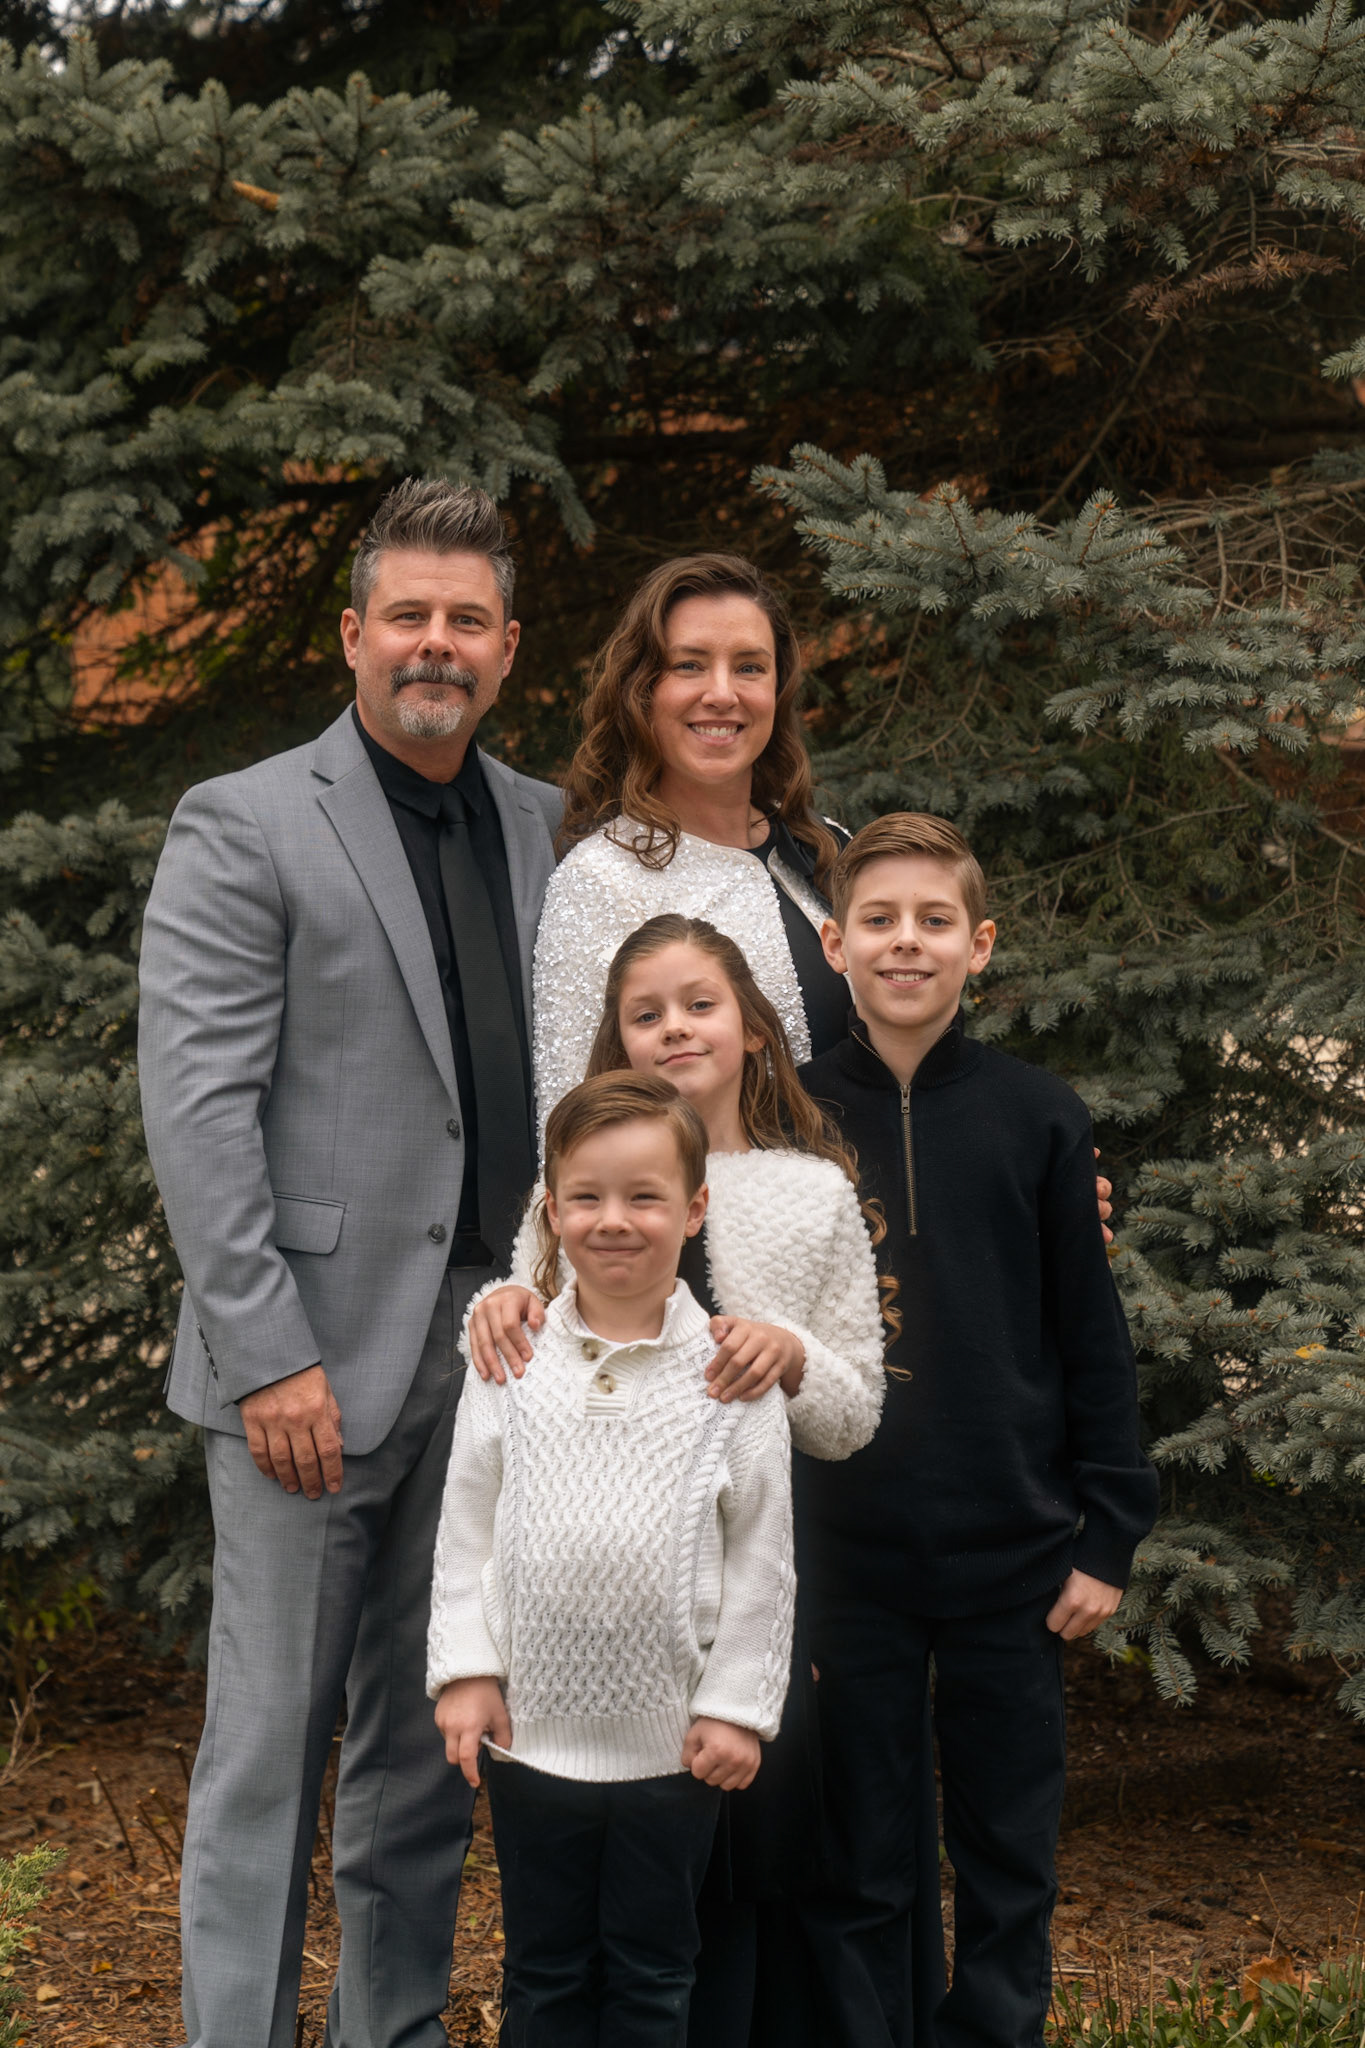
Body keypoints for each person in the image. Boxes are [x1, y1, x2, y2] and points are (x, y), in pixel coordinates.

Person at [137, 477, 561, 2048]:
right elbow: (198, 1110)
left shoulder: (550, 826)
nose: (435, 644)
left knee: (427, 1753)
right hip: (307, 1367)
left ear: (507, 647)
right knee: (267, 1754)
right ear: (352, 634)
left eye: (466, 620)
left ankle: (392, 2031)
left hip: (500, 1355)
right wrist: (269, 1356)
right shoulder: (245, 821)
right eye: (408, 616)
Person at [463, 915, 943, 2048]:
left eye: (699, 1004)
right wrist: (495, 1302)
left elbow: (853, 1416)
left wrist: (790, 1350)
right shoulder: (575, 1187)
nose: (675, 1027)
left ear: (753, 1029)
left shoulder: (811, 1191)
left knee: (742, 1857)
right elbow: (531, 1352)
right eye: (646, 1013)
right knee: (608, 1900)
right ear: (617, 1042)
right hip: (606, 1616)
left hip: (763, 1572)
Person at [794, 812, 1161, 2048]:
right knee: (859, 1858)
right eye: (880, 920)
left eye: (934, 920)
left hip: (1015, 1555)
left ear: (981, 943)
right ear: (836, 943)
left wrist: (1108, 1531)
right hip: (848, 1560)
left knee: (1009, 1852)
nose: (907, 942)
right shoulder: (789, 1115)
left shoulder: (1038, 1114)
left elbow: (1089, 1334)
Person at [427, 1071, 796, 2047]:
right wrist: (466, 1670)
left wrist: (737, 1707)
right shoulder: (511, 1358)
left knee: (649, 1971)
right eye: (586, 1196)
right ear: (553, 1211)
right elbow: (465, 1525)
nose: (614, 1220)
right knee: (543, 1970)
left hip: (671, 1746)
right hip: (531, 1733)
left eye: (644, 1196)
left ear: (694, 1208)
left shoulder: (733, 1373)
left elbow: (764, 1558)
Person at [530, 553, 853, 1131]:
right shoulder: (601, 880)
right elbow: (573, 1130)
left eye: (749, 667)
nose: (722, 693)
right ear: (642, 689)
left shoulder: (828, 848)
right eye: (689, 665)